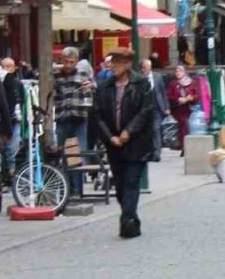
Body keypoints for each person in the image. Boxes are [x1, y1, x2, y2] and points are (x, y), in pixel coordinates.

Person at [89, 48, 155, 239]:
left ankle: (126, 222)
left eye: (117, 63)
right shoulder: (104, 87)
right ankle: (131, 219)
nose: (112, 67)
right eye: (111, 62)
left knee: (131, 182)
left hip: (136, 144)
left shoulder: (141, 84)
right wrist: (110, 137)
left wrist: (128, 132)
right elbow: (97, 115)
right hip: (113, 144)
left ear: (127, 64)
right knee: (119, 186)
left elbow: (146, 111)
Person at [54, 47, 95, 192]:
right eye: (66, 62)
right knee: (62, 153)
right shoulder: (56, 75)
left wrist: (91, 86)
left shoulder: (83, 73)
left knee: (77, 154)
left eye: (72, 62)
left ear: (76, 61)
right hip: (61, 117)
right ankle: (66, 188)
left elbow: (94, 87)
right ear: (62, 61)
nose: (69, 65)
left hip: (79, 117)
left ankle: (77, 189)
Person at [140, 59, 169, 162]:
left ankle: (157, 153)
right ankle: (149, 152)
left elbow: (163, 92)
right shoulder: (140, 78)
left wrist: (166, 107)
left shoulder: (157, 77)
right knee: (148, 131)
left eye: (148, 67)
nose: (146, 69)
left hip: (157, 107)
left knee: (156, 129)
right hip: (145, 109)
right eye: (145, 67)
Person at [0, 58, 25, 172]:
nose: (9, 69)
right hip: (1, 121)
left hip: (15, 119)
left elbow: (22, 100)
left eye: (11, 66)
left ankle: (11, 172)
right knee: (2, 148)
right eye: (6, 67)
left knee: (13, 148)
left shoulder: (18, 83)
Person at [167, 65, 202, 151]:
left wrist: (190, 98)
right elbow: (169, 96)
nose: (178, 73)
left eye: (180, 71)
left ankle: (186, 145)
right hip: (177, 109)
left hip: (189, 108)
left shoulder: (192, 82)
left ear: (184, 72)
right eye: (176, 71)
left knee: (186, 125)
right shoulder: (173, 84)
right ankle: (183, 145)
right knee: (183, 125)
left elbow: (197, 95)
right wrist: (178, 99)